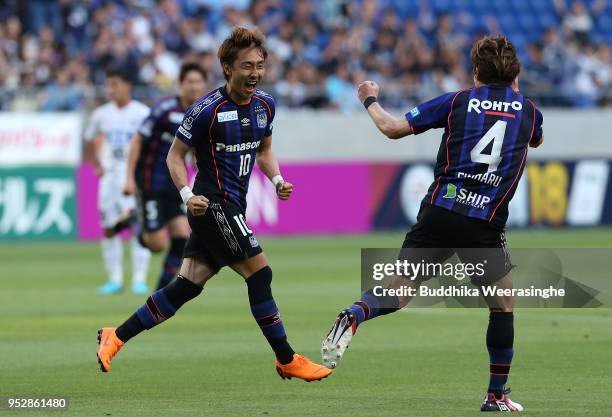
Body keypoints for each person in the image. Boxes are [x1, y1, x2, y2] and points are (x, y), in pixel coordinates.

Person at [97, 27, 332, 382]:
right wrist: (187, 195)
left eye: (260, 65)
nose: (254, 73)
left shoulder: (266, 105)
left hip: (233, 204)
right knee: (260, 274)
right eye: (246, 66)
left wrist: (278, 179)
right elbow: (175, 157)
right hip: (212, 206)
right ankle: (286, 358)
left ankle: (116, 336)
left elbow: (264, 150)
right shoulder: (205, 110)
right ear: (227, 68)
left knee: (185, 287)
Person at [321, 36, 543, 412]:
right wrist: (511, 93)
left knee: (397, 293)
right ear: (515, 74)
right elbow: (532, 141)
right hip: (482, 223)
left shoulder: (456, 101)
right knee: (502, 306)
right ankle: (495, 395)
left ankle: (355, 313)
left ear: (475, 72)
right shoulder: (530, 112)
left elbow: (391, 128)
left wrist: (368, 97)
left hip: (439, 212)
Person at [123, 62, 207, 290]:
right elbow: (138, 140)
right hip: (150, 181)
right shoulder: (165, 109)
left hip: (175, 184)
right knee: (157, 245)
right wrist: (129, 178)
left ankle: (159, 291)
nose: (194, 86)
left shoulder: (201, 114)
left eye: (198, 82)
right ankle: (136, 221)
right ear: (181, 84)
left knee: (182, 237)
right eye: (190, 82)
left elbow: (193, 151)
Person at [84, 68, 151, 295]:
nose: (110, 89)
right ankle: (115, 278)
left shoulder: (142, 113)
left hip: (132, 177)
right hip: (109, 179)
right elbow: (89, 137)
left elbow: (152, 143)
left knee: (137, 226)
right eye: (108, 85)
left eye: (115, 84)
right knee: (109, 228)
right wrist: (96, 164)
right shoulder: (102, 114)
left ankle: (139, 279)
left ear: (127, 86)